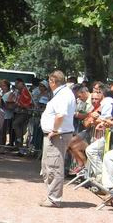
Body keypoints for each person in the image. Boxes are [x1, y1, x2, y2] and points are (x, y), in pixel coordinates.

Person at [39, 70, 76, 207]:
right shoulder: (63, 94)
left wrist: (54, 130)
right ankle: (51, 196)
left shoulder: (63, 95)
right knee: (48, 166)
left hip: (58, 135)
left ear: (53, 81)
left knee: (54, 166)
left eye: (49, 81)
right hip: (56, 135)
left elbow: (60, 115)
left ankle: (54, 198)